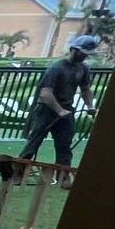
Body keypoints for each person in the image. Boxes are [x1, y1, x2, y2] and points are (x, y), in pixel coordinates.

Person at [19, 33, 100, 170]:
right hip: (46, 111)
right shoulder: (56, 68)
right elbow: (45, 94)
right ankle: (18, 172)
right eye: (82, 53)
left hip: (67, 111)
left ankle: (63, 176)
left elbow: (85, 89)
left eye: (86, 54)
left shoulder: (83, 69)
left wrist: (90, 106)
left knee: (64, 145)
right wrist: (59, 110)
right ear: (73, 49)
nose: (84, 56)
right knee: (34, 142)